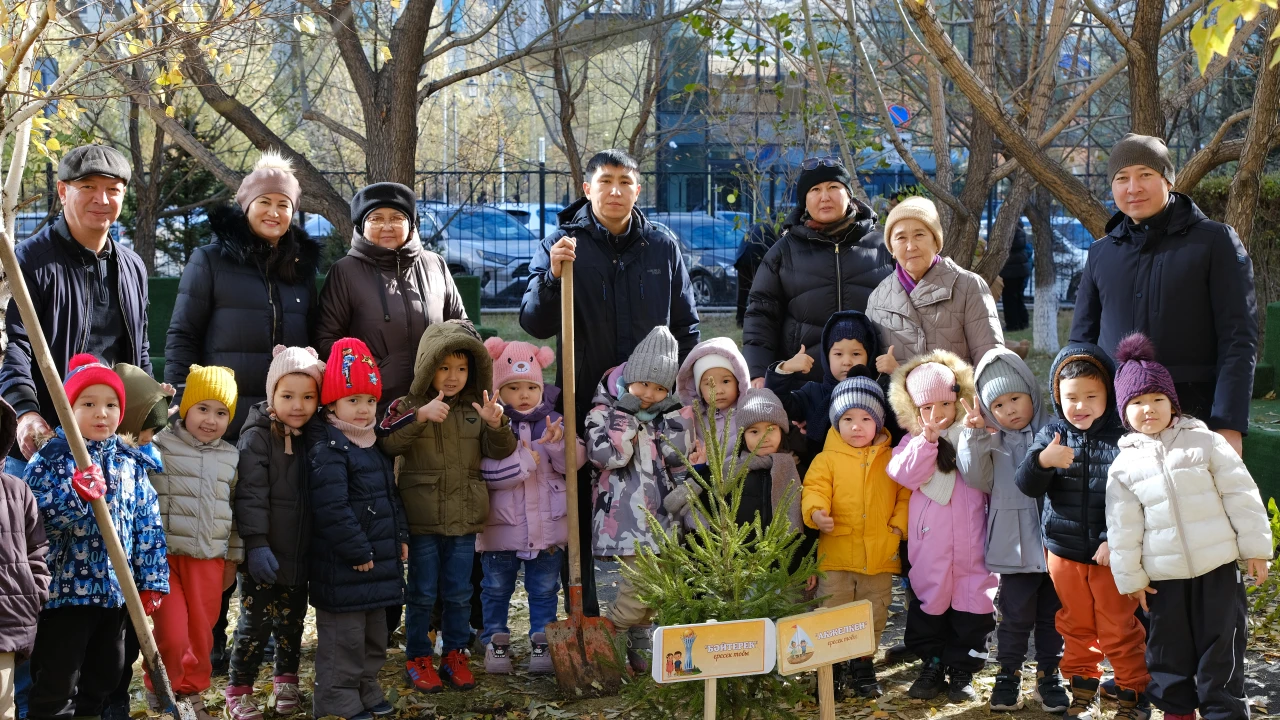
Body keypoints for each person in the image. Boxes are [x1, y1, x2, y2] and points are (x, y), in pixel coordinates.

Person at [520, 149, 699, 617]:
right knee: (581, 506)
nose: (615, 190)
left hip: (654, 406)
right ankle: (585, 612)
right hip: (587, 403)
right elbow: (534, 322)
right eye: (605, 181)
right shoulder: (562, 244)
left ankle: (646, 615)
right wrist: (553, 276)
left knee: (655, 503)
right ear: (587, 188)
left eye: (624, 182)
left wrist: (678, 393)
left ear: (637, 190)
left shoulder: (661, 246)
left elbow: (686, 326)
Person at [1106, 333, 1272, 720]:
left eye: (1157, 399)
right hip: (1164, 579)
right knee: (1168, 653)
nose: (1148, 409)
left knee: (1222, 650)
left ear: (1172, 403)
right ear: (1124, 412)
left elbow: (1241, 494)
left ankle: (1224, 713)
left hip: (1217, 570)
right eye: (1137, 403)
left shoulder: (1205, 442)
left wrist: (1255, 549)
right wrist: (1131, 578)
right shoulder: (1124, 466)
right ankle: (1177, 713)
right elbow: (1122, 527)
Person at [1070, 133, 1257, 458]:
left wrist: (1229, 423)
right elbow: (1080, 344)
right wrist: (1074, 407)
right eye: (1122, 178)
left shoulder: (1215, 242)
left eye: (1145, 174)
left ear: (1168, 180)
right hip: (1115, 422)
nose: (1133, 188)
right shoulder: (1101, 253)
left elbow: (1238, 339)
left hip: (1194, 418)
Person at [24, 355, 168, 720]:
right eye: (88, 404)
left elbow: (148, 525)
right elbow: (34, 524)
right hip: (65, 597)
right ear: (68, 408)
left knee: (106, 676)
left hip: (116, 595)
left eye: (111, 405)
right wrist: (74, 496)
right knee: (58, 681)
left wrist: (152, 580)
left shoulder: (130, 463)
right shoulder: (51, 458)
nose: (101, 413)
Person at [1015, 342, 1150, 720]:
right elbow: (1026, 484)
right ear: (1058, 397)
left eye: (1091, 396)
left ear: (1109, 395)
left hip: (1112, 556)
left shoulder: (1124, 438)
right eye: (1071, 397)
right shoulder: (1053, 434)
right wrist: (1043, 461)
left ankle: (1133, 695)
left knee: (1118, 626)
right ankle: (1082, 691)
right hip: (1063, 552)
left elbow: (1139, 496)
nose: (1081, 405)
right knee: (1075, 626)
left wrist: (1112, 539)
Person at [380, 320, 516, 692]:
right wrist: (419, 418)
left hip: (463, 518)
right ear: (428, 365)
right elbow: (387, 443)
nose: (453, 376)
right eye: (443, 367)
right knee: (422, 593)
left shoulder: (477, 407)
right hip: (421, 519)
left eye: (461, 368)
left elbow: (500, 450)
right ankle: (418, 657)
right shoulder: (408, 405)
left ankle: (456, 654)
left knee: (459, 593)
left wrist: (497, 424)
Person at [3, 145, 149, 478]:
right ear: (62, 191)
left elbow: (139, 350)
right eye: (88, 187)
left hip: (110, 451)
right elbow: (15, 347)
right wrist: (25, 412)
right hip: (42, 446)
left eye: (113, 189)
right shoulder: (29, 261)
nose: (102, 199)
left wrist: (146, 411)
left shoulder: (132, 266)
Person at [165, 149, 321, 441]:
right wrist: (181, 400)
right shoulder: (210, 260)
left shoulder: (301, 271)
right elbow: (184, 334)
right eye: (264, 202)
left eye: (283, 204)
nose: (273, 212)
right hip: (224, 419)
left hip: (286, 423)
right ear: (247, 206)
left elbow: (313, 338)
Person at [956, 348, 1068, 712]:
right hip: (1014, 547)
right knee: (1014, 616)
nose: (1010, 410)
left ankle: (1049, 675)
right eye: (999, 405)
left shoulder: (1057, 432)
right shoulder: (992, 443)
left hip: (1055, 545)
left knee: (1053, 615)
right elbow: (976, 477)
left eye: (1016, 399)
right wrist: (973, 435)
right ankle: (1008, 674)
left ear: (1031, 392)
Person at [886, 351, 996, 704]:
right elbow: (904, 474)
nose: (938, 414)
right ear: (913, 409)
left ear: (959, 399)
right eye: (927, 407)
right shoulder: (912, 443)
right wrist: (928, 442)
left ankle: (962, 669)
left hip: (973, 545)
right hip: (930, 546)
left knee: (973, 605)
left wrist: (977, 435)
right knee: (930, 602)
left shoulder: (974, 434)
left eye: (946, 404)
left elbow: (991, 471)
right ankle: (931, 663)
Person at [307, 338, 407, 720]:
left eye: (370, 400)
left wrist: (400, 536)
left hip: (377, 561)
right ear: (332, 404)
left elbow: (391, 497)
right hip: (346, 564)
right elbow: (331, 508)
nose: (364, 409)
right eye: (353, 400)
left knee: (373, 635)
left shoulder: (372, 444)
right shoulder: (330, 448)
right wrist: (356, 549)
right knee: (344, 639)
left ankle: (366, 686)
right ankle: (335, 696)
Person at [226, 346, 325, 720]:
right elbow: (249, 494)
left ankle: (286, 681)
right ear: (272, 396)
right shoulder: (257, 437)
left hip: (299, 553)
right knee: (254, 625)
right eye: (287, 396)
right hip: (263, 555)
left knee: (292, 623)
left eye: (308, 397)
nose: (298, 406)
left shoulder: (315, 436)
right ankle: (239, 688)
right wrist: (256, 544)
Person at [585, 326, 691, 672]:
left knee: (656, 587)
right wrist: (625, 416)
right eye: (643, 384)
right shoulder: (602, 413)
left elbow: (678, 459)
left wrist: (674, 418)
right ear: (629, 377)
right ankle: (611, 639)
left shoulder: (665, 416)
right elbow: (608, 457)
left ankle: (639, 641)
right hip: (624, 517)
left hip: (661, 516)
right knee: (636, 587)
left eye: (659, 388)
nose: (649, 394)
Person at [315, 181, 468, 418]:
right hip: (374, 407)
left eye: (397, 218)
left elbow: (462, 327)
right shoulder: (345, 272)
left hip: (437, 403)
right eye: (376, 219)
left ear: (411, 224)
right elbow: (327, 340)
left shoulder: (435, 264)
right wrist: (369, 371)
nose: (387, 226)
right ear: (362, 226)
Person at [475, 338, 581, 675]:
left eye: (531, 387)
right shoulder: (490, 427)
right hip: (501, 530)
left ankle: (542, 643)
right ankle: (495, 641)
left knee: (545, 590)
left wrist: (558, 444)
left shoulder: (555, 420)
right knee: (495, 589)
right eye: (513, 387)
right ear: (498, 390)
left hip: (547, 532)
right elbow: (484, 473)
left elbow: (575, 464)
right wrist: (523, 462)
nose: (524, 394)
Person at [802, 375, 909, 699]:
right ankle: (830, 667)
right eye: (848, 419)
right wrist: (816, 513)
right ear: (836, 422)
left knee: (873, 613)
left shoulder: (892, 459)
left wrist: (897, 528)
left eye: (865, 418)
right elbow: (814, 489)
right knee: (831, 611)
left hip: (879, 556)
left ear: (878, 422)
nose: (856, 426)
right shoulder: (826, 459)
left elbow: (905, 496)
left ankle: (862, 665)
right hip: (836, 555)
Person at [147, 365, 242, 720]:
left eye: (221, 413)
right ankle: (162, 687)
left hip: (209, 559)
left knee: (201, 635)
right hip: (165, 558)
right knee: (172, 634)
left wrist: (233, 559)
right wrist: (155, 407)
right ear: (186, 408)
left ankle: (190, 694)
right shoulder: (160, 444)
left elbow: (236, 513)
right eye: (202, 408)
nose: (210, 420)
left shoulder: (231, 456)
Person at [742, 158, 892, 383]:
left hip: (872, 384)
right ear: (804, 201)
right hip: (804, 387)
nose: (825, 197)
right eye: (815, 190)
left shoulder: (883, 247)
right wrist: (757, 372)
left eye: (833, 187)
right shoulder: (783, 252)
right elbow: (761, 315)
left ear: (849, 194)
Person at [103, 363, 172, 720]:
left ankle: (118, 707)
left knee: (125, 653)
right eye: (147, 429)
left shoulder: (140, 463)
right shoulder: (103, 463)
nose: (150, 438)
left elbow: (150, 531)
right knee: (100, 659)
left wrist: (153, 582)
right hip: (102, 584)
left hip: (132, 581)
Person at [867, 196, 1004, 371]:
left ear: (936, 241)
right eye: (901, 238)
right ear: (891, 248)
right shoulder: (878, 299)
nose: (911, 246)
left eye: (919, 235)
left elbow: (991, 362)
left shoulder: (969, 286)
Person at [767, 310, 892, 463]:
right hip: (820, 475)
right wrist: (785, 369)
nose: (847, 362)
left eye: (856, 354)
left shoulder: (878, 395)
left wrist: (898, 374)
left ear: (869, 356)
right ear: (827, 357)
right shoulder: (813, 393)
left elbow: (904, 418)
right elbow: (775, 405)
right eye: (838, 354)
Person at [0, 397, 49, 720]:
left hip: (6, 623)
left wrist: (34, 592)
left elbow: (37, 549)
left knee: (3, 706)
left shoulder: (17, 490)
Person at [673, 336, 751, 444]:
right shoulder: (691, 419)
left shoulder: (749, 415)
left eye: (726, 381)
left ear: (739, 382)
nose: (718, 391)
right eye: (709, 384)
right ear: (698, 389)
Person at [734, 214, 784, 327]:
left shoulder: (761, 224)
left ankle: (740, 319)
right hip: (757, 255)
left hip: (742, 254)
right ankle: (758, 319)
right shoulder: (777, 228)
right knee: (761, 290)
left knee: (743, 289)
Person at [998, 224, 1030, 332]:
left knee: (1009, 298)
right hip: (1020, 268)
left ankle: (1012, 324)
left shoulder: (1010, 230)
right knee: (1018, 297)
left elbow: (1004, 246)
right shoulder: (1020, 230)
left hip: (1011, 270)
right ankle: (1023, 322)